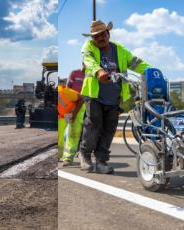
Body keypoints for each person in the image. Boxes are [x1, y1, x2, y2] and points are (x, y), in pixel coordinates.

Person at [79, 20, 151, 174]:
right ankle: (85, 154)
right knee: (94, 123)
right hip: (94, 95)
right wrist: (99, 71)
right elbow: (88, 60)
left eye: (102, 35)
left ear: (108, 34)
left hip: (114, 97)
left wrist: (152, 72)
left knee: (109, 128)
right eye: (96, 36)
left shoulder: (120, 50)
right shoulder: (89, 47)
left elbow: (136, 63)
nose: (100, 39)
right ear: (92, 39)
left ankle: (101, 161)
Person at [61, 65, 86, 166]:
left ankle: (78, 154)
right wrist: (69, 109)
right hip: (73, 104)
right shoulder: (74, 73)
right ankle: (67, 156)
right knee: (69, 130)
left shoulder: (92, 75)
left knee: (82, 131)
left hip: (86, 104)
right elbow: (67, 90)